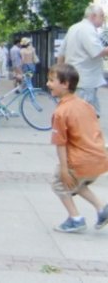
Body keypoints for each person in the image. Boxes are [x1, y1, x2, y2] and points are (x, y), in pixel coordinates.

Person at [46, 63, 108, 233]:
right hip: (98, 159)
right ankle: (102, 209)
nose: (48, 84)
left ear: (65, 84)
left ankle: (75, 219)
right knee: (76, 183)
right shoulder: (85, 105)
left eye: (52, 80)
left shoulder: (61, 112)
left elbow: (60, 143)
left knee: (60, 183)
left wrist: (65, 170)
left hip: (80, 161)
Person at [56, 4, 108, 115]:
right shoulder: (88, 30)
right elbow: (98, 51)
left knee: (83, 114)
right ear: (93, 16)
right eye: (102, 16)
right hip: (85, 82)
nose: (103, 19)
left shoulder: (74, 28)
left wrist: (59, 74)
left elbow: (61, 54)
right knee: (84, 116)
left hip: (75, 79)